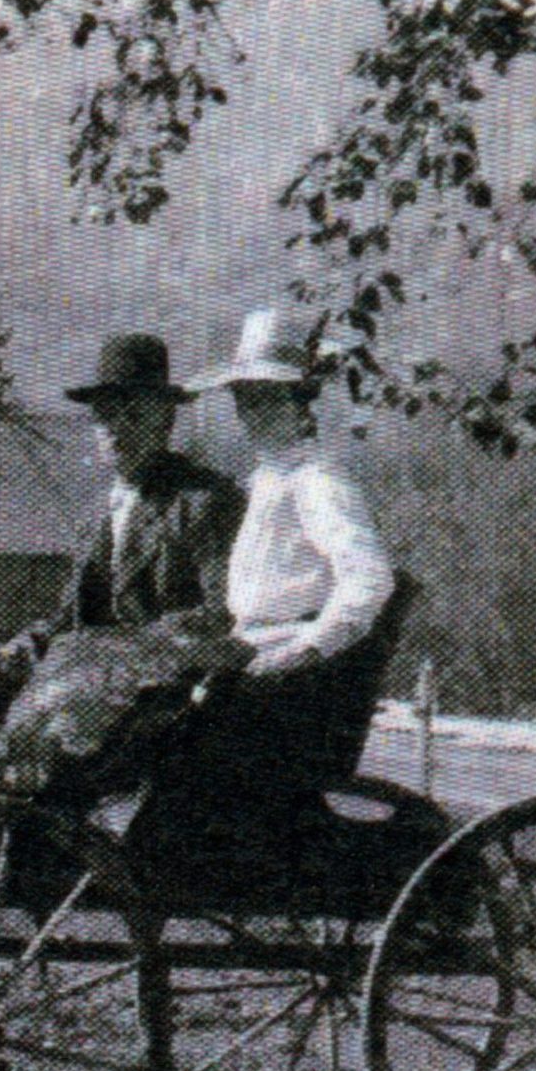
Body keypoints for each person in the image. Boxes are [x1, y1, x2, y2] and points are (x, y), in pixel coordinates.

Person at [141, 307, 399, 861]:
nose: (250, 413)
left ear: (301, 403)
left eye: (266, 399)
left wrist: (308, 648)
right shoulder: (266, 480)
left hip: (281, 673)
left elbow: (369, 578)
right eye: (243, 399)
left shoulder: (318, 482)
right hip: (246, 652)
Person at [0, 332, 245, 772]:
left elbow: (222, 613)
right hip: (88, 671)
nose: (117, 430)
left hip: (165, 686)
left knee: (57, 704)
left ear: (165, 421)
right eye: (105, 416)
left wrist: (114, 648)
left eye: (134, 415)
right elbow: (72, 616)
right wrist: (24, 645)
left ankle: (23, 798)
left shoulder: (203, 500)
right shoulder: (98, 512)